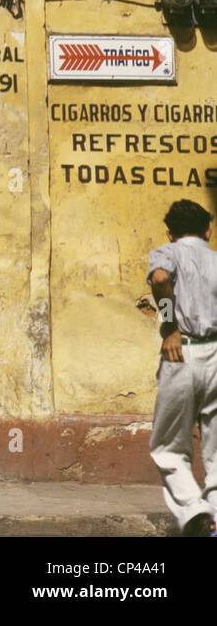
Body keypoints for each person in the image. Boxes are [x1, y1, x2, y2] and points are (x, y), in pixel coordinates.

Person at [146, 198, 217, 537]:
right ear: (209, 229)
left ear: (170, 234)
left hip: (182, 352)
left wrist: (170, 325)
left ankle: (195, 509)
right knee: (216, 445)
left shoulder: (167, 253)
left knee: (169, 446)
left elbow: (160, 278)